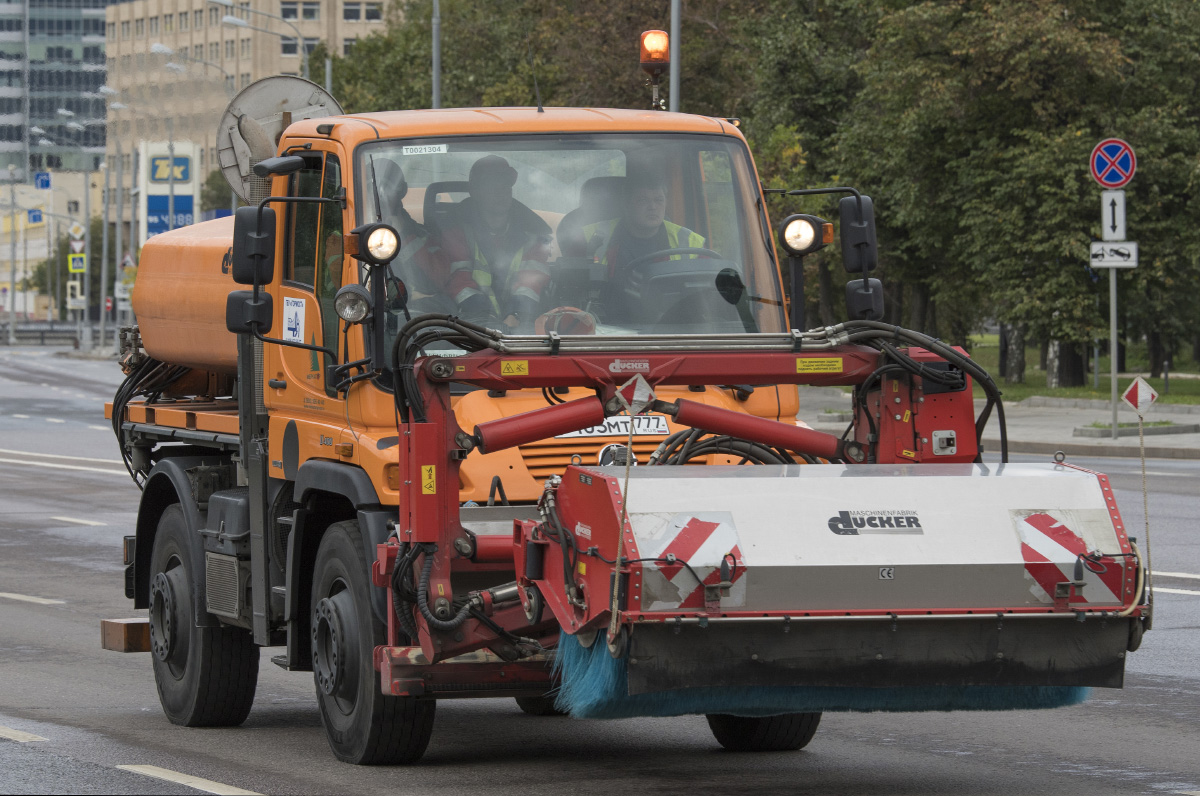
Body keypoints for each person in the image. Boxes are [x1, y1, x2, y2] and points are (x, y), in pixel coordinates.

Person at [439, 155, 553, 329]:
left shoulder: (535, 235)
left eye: (506, 184)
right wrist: (487, 318)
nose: (502, 191)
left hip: (521, 321)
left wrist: (515, 314)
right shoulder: (455, 232)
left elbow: (531, 284)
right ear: (475, 191)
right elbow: (459, 281)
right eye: (492, 185)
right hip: (469, 322)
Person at [581, 171, 705, 323]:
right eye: (643, 200)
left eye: (659, 200)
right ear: (626, 204)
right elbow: (571, 291)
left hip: (671, 332)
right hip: (604, 330)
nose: (653, 207)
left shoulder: (690, 242)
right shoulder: (590, 238)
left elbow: (707, 298)